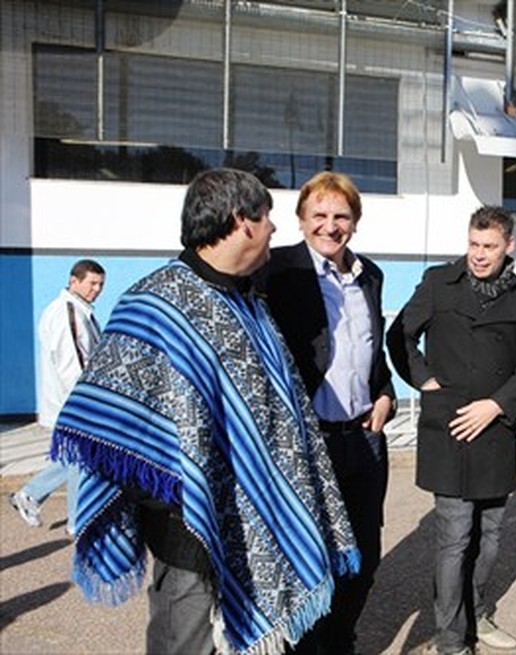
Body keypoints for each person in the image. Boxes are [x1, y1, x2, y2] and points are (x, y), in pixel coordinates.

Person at [49, 168, 359, 655]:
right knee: (185, 642)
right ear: (242, 221)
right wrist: (180, 487)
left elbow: (278, 410)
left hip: (256, 517)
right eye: (268, 218)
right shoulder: (156, 303)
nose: (274, 229)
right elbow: (98, 416)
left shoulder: (248, 301)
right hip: (187, 526)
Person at [386, 205, 516, 655]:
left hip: (495, 431)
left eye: (489, 247)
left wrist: (496, 405)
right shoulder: (440, 282)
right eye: (474, 244)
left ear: (508, 246)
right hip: (449, 428)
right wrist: (424, 381)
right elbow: (399, 335)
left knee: (490, 538)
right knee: (455, 539)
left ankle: (477, 613)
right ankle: (451, 639)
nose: (479, 255)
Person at [255, 171, 396, 654]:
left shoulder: (369, 275)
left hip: (362, 438)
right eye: (320, 215)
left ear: (354, 222)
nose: (330, 226)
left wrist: (386, 392)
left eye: (341, 216)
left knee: (364, 557)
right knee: (308, 556)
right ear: (300, 219)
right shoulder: (277, 271)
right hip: (307, 441)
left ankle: (339, 642)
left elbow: (370, 351)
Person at [8, 259, 105, 534]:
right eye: (91, 283)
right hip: (74, 403)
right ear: (74, 281)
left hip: (70, 402)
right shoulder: (68, 314)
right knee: (81, 459)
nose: (96, 289)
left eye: (100, 284)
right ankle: (75, 522)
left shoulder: (77, 311)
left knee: (77, 458)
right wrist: (89, 403)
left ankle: (30, 495)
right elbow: (71, 365)